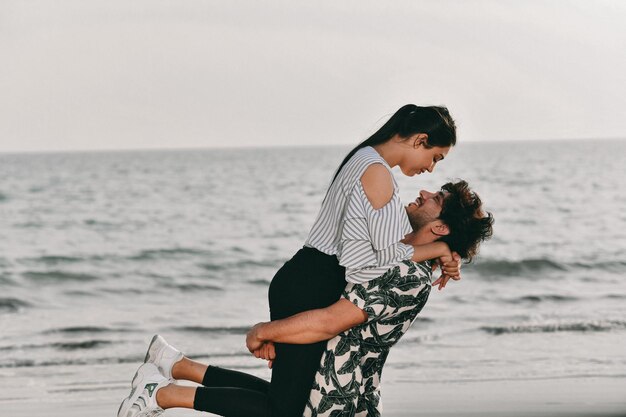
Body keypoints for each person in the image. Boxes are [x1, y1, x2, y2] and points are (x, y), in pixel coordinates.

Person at [116, 180, 493, 417]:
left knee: (276, 408)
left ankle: (168, 381)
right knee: (276, 406)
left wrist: (267, 331)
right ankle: (168, 381)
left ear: (439, 225)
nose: (424, 191)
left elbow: (334, 320)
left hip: (340, 389)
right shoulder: (398, 249)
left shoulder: (407, 277)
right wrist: (443, 248)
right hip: (329, 369)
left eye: (436, 198)